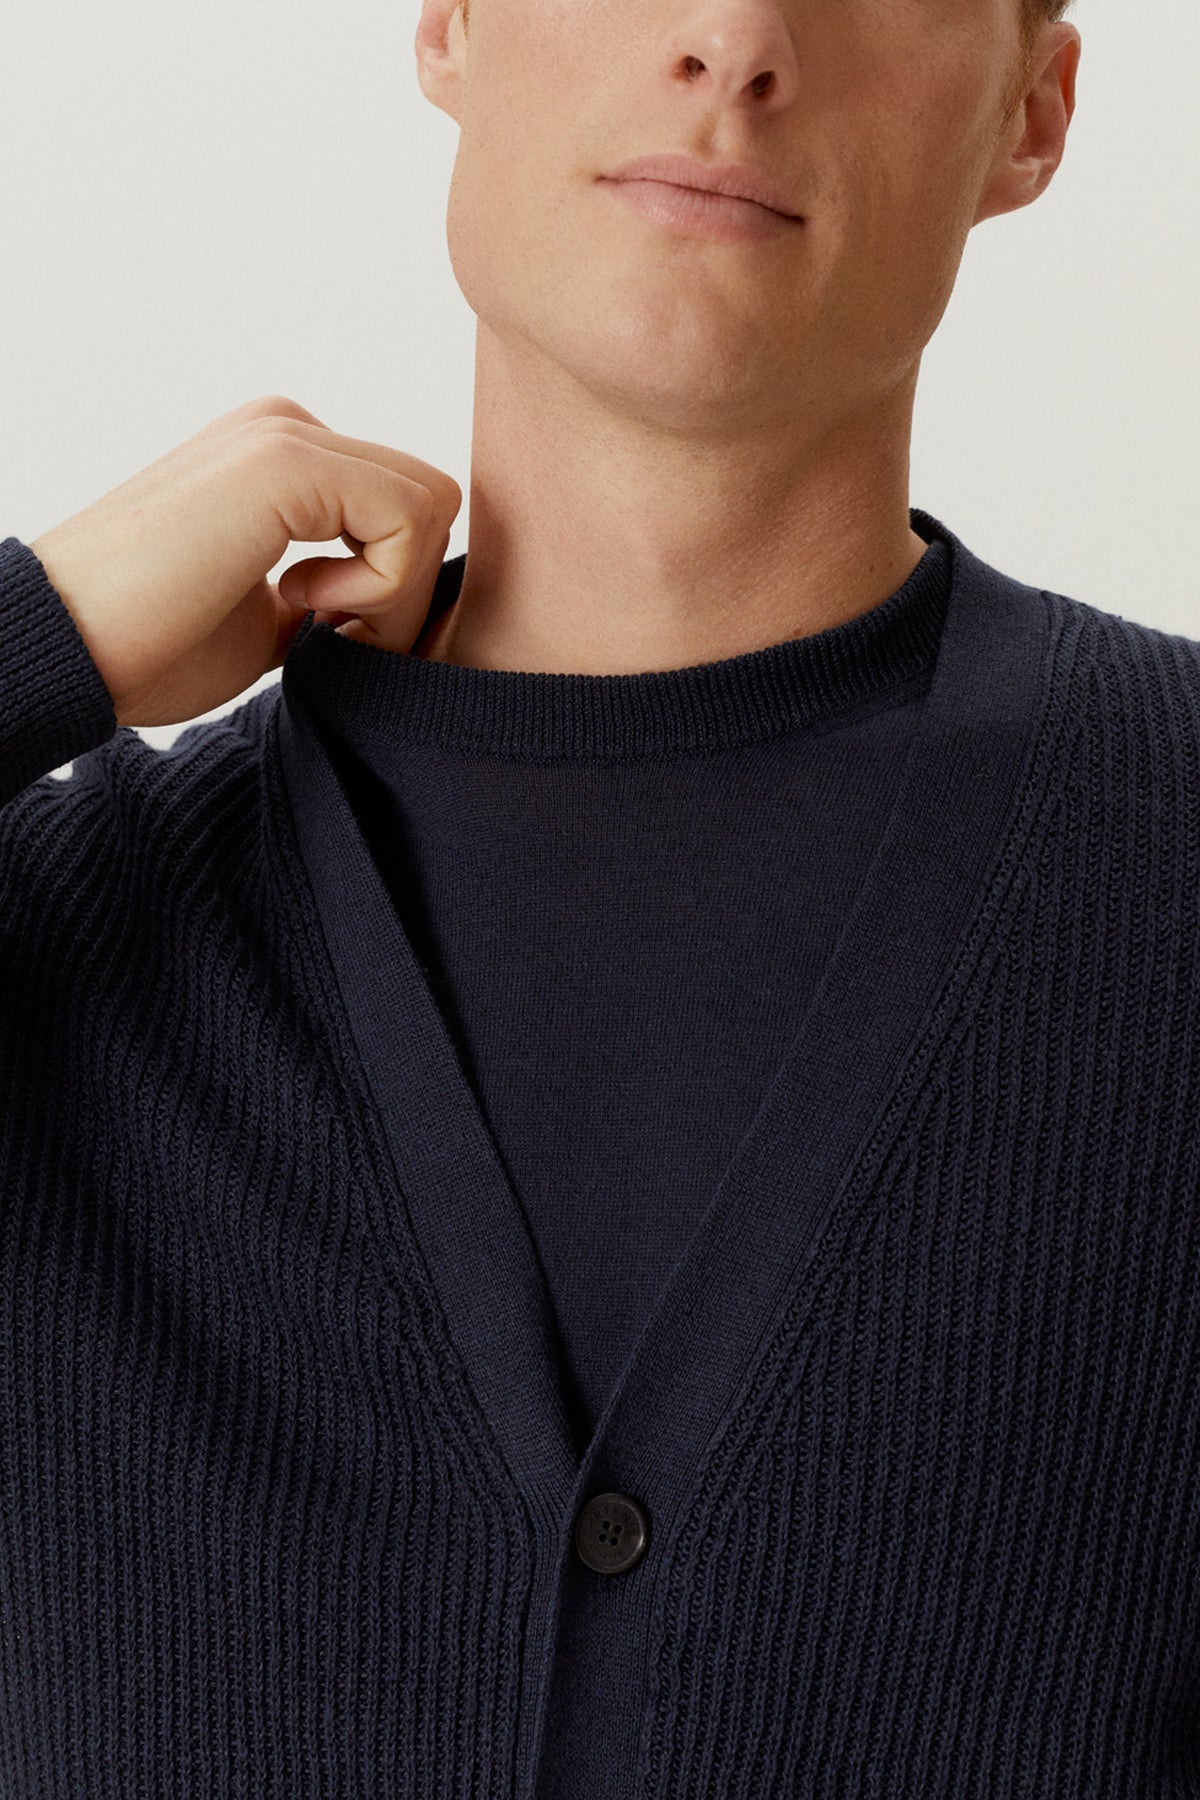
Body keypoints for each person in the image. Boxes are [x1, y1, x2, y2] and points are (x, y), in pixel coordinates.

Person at [4, 0, 1200, 1793]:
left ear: (1032, 114)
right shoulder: (67, 940)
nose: (736, 37)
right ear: (451, 22)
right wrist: (44, 633)